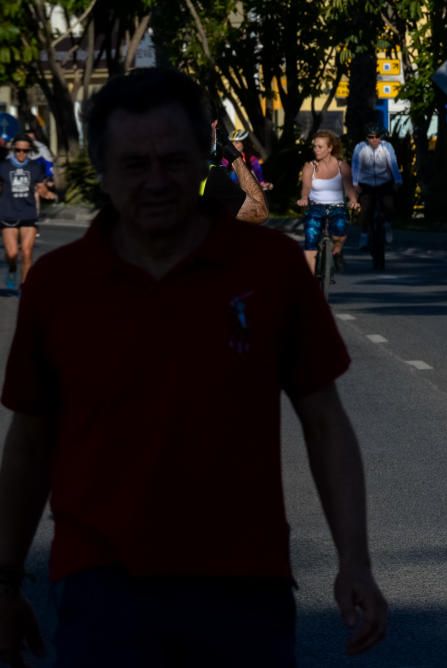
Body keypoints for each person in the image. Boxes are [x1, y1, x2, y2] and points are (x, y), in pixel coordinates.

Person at [0, 68, 387, 666]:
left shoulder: (272, 272)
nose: (156, 181)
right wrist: (5, 579)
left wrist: (354, 560)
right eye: (133, 164)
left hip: (242, 587)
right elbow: (29, 443)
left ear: (201, 158)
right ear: (102, 170)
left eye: (173, 161)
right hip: (99, 586)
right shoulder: (57, 286)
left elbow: (325, 422)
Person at [297, 130, 360, 275]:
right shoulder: (309, 166)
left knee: (339, 232)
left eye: (320, 147)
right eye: (314, 147)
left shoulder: (341, 166)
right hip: (315, 207)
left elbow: (349, 187)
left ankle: (336, 252)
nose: (316, 150)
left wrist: (353, 200)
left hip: (337, 207)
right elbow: (306, 187)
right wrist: (304, 198)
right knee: (311, 238)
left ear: (330, 148)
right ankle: (311, 282)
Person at [1, 133, 56, 290]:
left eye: (24, 151)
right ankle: (12, 269)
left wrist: (48, 194)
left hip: (28, 212)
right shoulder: (3, 166)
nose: (21, 154)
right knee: (12, 253)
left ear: (29, 151)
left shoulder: (34, 167)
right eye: (18, 150)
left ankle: (25, 287)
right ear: (13, 149)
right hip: (8, 212)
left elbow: (40, 187)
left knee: (26, 252)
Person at [202, 120, 269, 224]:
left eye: (237, 142)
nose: (234, 144)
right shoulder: (215, 169)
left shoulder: (252, 159)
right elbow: (259, 213)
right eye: (232, 142)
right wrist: (234, 157)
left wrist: (262, 182)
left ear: (244, 144)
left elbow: (258, 173)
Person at [351, 124, 402, 259]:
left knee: (389, 206)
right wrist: (355, 184)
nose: (374, 140)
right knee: (365, 211)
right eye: (371, 137)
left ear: (381, 137)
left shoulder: (387, 147)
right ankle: (364, 236)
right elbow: (355, 166)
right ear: (366, 138)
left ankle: (388, 225)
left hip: (383, 182)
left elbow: (393, 163)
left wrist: (397, 180)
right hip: (366, 183)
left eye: (377, 137)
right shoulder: (360, 147)